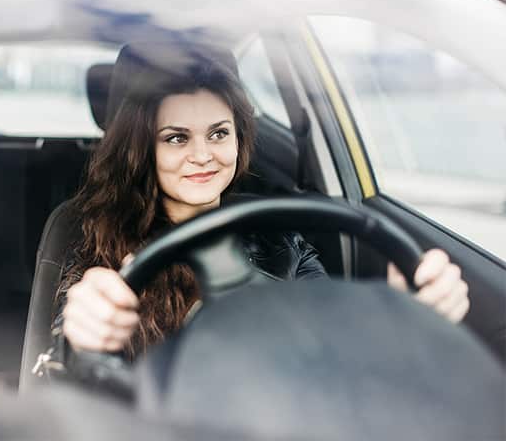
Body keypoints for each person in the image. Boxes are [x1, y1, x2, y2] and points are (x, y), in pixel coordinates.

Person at [50, 42, 470, 364]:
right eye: (177, 138)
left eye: (218, 134)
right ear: (143, 150)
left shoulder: (280, 239)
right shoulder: (98, 242)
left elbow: (339, 337)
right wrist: (85, 336)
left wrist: (403, 316)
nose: (203, 155)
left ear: (239, 137)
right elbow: (71, 368)